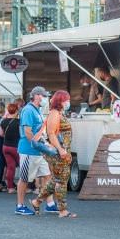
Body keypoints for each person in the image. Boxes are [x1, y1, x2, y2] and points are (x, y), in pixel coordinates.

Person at [31, 90, 76, 218]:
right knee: (62, 181)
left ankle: (37, 201)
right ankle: (62, 210)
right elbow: (51, 134)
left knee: (56, 180)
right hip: (57, 152)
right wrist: (61, 150)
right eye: (66, 100)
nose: (68, 102)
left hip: (60, 151)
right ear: (60, 101)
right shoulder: (55, 113)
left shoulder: (58, 113)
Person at [15, 86, 58, 216]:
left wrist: (44, 144)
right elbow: (28, 132)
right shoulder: (28, 110)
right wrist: (42, 145)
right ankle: (20, 206)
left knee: (47, 176)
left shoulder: (37, 110)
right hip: (29, 151)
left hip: (37, 152)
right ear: (37, 96)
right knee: (24, 179)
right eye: (44, 96)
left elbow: (38, 131)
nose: (46, 98)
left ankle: (50, 204)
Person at [0, 103, 20, 193]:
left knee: (10, 167)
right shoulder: (19, 122)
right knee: (23, 167)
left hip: (5, 146)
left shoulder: (3, 121)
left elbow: (0, 134)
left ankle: (10, 188)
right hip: (16, 147)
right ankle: (25, 186)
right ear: (16, 110)